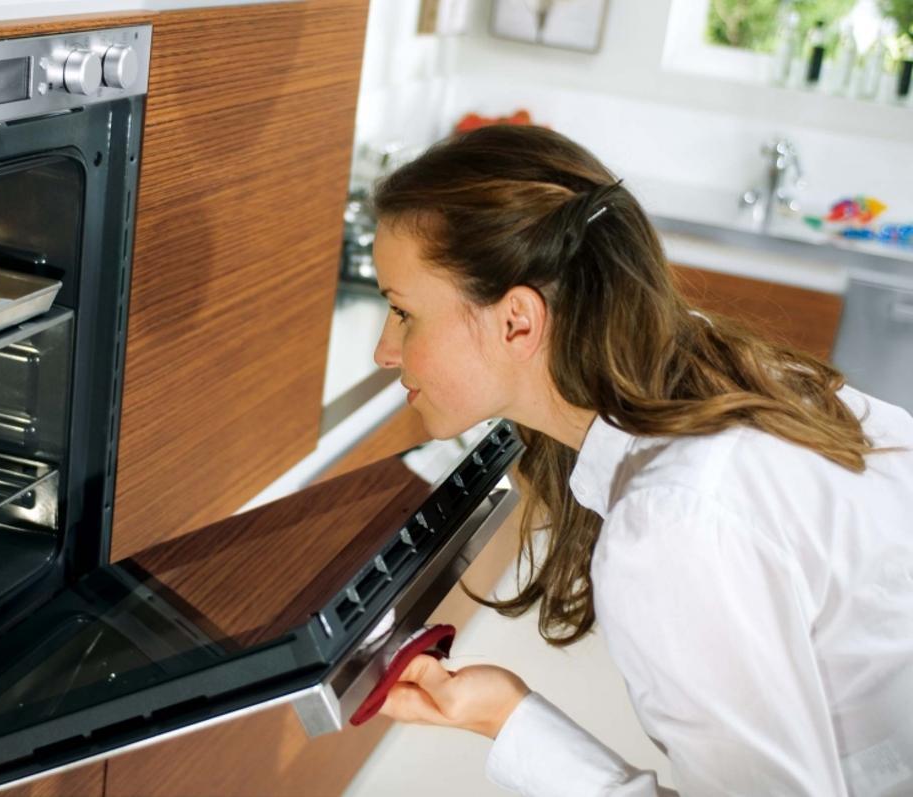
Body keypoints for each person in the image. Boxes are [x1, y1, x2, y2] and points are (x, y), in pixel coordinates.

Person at [368, 124, 913, 796]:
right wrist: (502, 714)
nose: (384, 350)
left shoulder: (674, 523)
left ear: (517, 321)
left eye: (401, 311)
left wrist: (509, 721)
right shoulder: (724, 367)